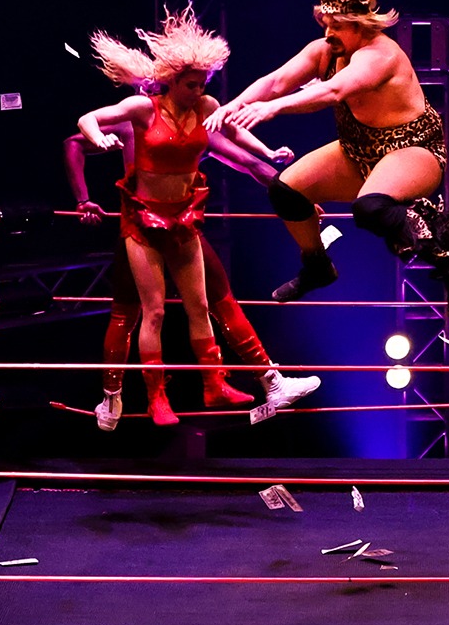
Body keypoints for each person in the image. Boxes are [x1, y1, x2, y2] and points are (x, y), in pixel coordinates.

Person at [206, 0, 449, 315]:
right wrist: (231, 107)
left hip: (412, 150)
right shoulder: (325, 51)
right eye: (326, 24)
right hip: (357, 149)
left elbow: (333, 91)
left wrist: (273, 108)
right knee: (285, 190)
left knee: (370, 208)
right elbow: (275, 82)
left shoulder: (380, 55)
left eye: (338, 26)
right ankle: (317, 266)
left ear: (361, 25)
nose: (329, 33)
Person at [77, 5, 280, 426]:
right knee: (153, 311)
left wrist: (268, 152)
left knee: (200, 304)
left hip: (185, 217)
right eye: (191, 84)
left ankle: (214, 384)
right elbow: (88, 118)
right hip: (143, 221)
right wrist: (97, 137)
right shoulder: (143, 108)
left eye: (203, 84)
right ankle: (156, 398)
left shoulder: (206, 105)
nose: (198, 90)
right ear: (171, 81)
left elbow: (234, 130)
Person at [63, 107, 320, 431]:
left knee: (199, 304)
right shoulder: (142, 123)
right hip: (149, 231)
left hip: (173, 230)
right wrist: (83, 199)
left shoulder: (188, 127)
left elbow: (250, 162)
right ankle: (119, 397)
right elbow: (74, 142)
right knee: (154, 311)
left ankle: (260, 382)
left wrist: (294, 199)